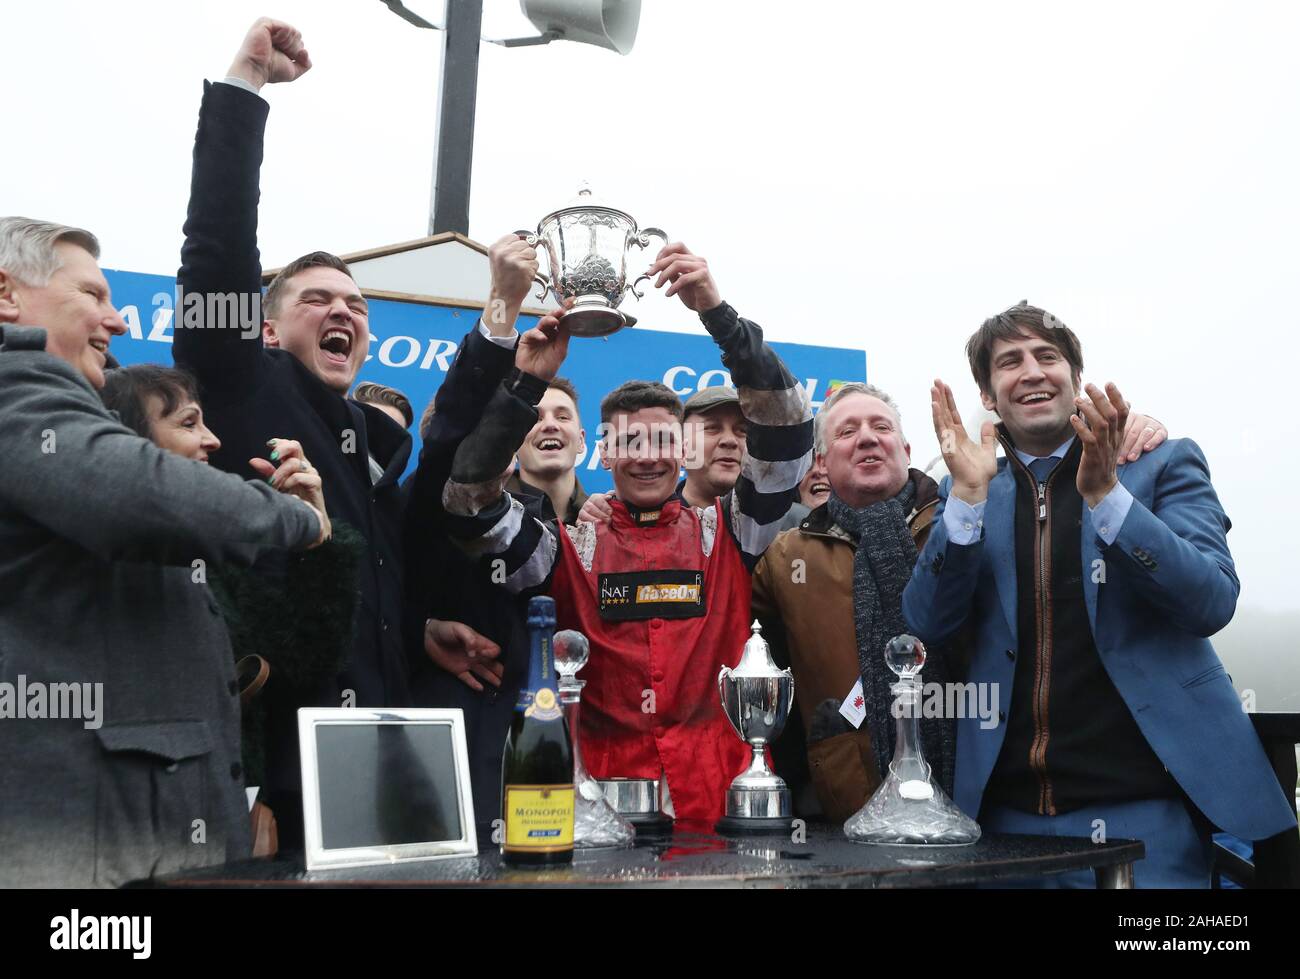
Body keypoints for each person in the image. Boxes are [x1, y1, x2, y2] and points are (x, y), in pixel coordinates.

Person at [902, 301, 1297, 887]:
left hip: (1147, 821)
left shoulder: (1160, 463)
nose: (1032, 371)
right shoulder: (966, 484)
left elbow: (1211, 601)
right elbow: (926, 625)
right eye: (1010, 361)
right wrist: (963, 499)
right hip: (1003, 828)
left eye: (1048, 356)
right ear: (988, 394)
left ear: (1075, 378)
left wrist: (1109, 497)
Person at [0, 217, 328, 886]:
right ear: (6, 294)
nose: (115, 319)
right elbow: (140, 495)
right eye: (92, 294)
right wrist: (298, 520)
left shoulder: (62, 402)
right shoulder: (15, 385)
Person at [439, 242, 812, 825]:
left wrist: (717, 313)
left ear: (683, 450)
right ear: (604, 452)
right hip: (592, 807)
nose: (646, 458)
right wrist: (522, 389)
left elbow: (789, 429)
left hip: (719, 805)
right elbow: (466, 504)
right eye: (629, 443)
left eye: (661, 441)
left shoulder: (732, 529)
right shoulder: (560, 543)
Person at [171, 19, 411, 843]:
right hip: (270, 774)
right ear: (266, 329)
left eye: (357, 305)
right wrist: (245, 88)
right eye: (316, 298)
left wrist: (422, 629)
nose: (343, 309)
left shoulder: (368, 439)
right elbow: (216, 250)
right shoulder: (241, 380)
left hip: (385, 756)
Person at [100, 364, 364, 852]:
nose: (213, 440)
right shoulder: (84, 553)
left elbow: (308, 656)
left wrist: (317, 536)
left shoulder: (211, 560)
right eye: (187, 423)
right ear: (125, 444)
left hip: (218, 832)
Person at [751, 383, 955, 822]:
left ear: (905, 447)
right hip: (845, 806)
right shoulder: (787, 556)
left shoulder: (958, 524)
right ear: (821, 462)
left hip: (970, 793)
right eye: (847, 431)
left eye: (881, 427)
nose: (867, 437)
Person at [506, 376, 590, 524]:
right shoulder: (483, 516)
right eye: (535, 418)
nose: (550, 425)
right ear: (514, 441)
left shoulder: (606, 523)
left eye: (563, 417)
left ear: (581, 441)